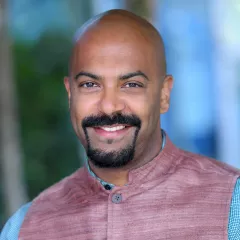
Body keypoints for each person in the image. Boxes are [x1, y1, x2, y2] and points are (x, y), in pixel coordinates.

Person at [1, 9, 239, 240]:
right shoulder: (24, 229)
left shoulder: (231, 207)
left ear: (164, 95)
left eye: (131, 85)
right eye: (90, 85)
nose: (109, 106)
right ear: (70, 94)